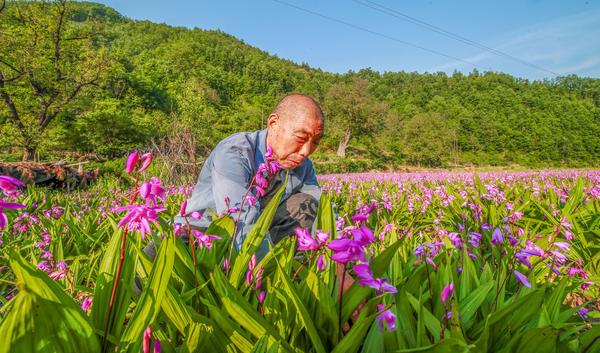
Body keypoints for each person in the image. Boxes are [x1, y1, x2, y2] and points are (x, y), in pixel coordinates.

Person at [171, 93, 325, 258]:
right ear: (273, 123)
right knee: (151, 268)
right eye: (301, 138)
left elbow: (323, 210)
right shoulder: (235, 152)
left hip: (260, 232)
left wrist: (333, 257)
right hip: (202, 232)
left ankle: (290, 267)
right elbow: (240, 218)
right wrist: (264, 273)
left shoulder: (303, 165)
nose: (306, 152)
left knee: (306, 204)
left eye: (315, 142)